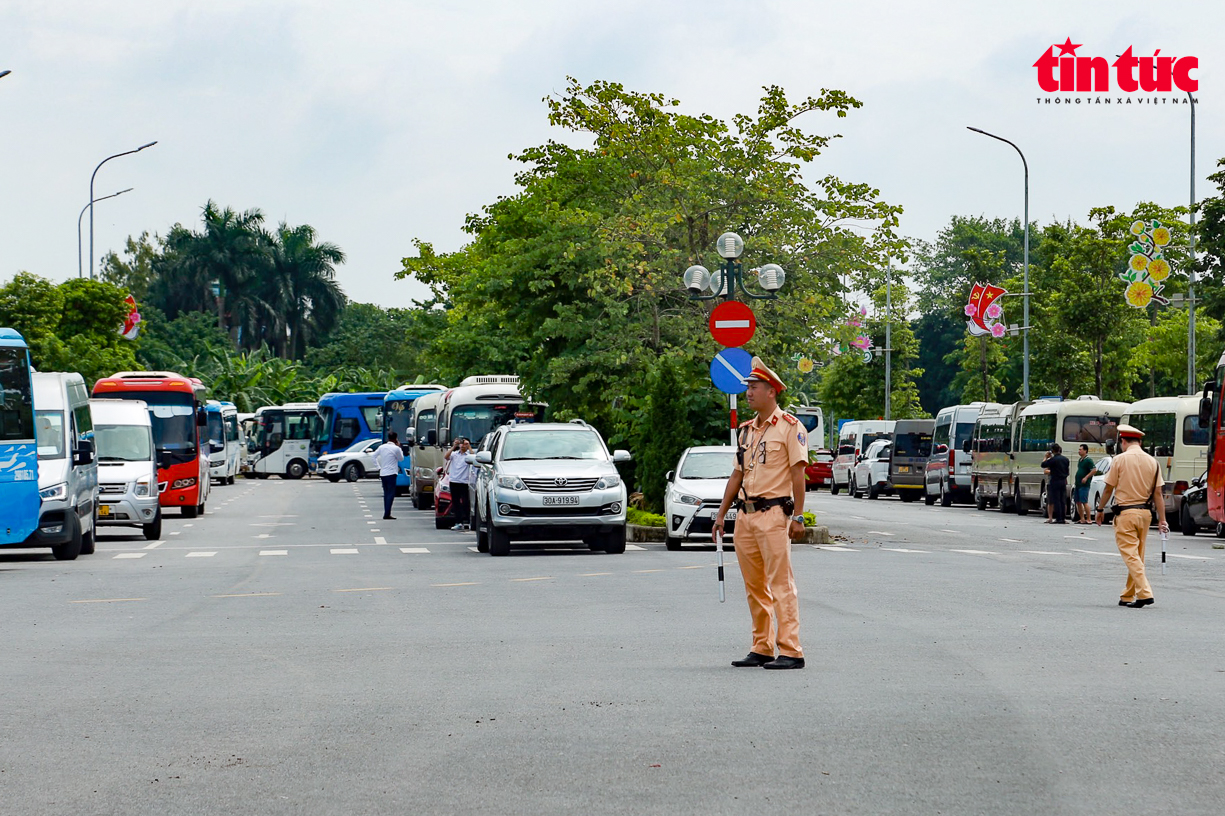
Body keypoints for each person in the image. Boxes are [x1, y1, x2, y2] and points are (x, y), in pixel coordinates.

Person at [713, 356, 808, 670]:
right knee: (754, 586)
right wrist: (721, 514)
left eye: (754, 387)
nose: (748, 393)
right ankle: (762, 646)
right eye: (748, 388)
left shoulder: (791, 428)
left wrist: (798, 516)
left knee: (781, 584)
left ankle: (791, 650)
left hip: (774, 514)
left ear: (772, 391)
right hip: (745, 516)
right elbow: (737, 475)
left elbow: (798, 474)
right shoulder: (745, 432)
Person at [1095, 424, 1168, 608]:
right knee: (1136, 556)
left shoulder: (1119, 460)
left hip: (1126, 513)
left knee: (1130, 555)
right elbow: (1158, 494)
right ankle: (1128, 594)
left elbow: (1108, 487)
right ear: (1140, 442)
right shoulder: (1153, 462)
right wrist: (1162, 520)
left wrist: (1100, 509)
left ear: (1123, 442)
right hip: (1145, 514)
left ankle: (1144, 593)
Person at [373, 432, 405, 520]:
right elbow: (401, 459)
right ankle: (387, 513)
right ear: (396, 439)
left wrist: (378, 467)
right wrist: (399, 447)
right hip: (391, 473)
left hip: (383, 473)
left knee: (386, 493)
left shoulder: (382, 447)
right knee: (391, 494)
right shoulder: (396, 448)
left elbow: (373, 456)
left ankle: (386, 512)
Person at [445, 437, 474, 531]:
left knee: (466, 502)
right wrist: (454, 446)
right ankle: (458, 522)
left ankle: (468, 521)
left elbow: (475, 459)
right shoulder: (454, 454)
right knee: (456, 502)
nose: (463, 445)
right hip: (454, 481)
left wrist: (469, 447)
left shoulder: (469, 455)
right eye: (461, 443)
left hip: (464, 482)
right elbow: (446, 457)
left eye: (465, 444)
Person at [1043, 443, 1070, 524]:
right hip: (1063, 480)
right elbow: (1067, 471)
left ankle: (1058, 518)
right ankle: (1063, 517)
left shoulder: (1053, 460)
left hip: (1055, 481)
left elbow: (1043, 464)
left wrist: (1046, 457)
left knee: (1056, 500)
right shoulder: (1066, 459)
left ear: (1052, 451)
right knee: (1063, 500)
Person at [1074, 444, 1095, 524]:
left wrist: (1086, 477)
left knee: (1084, 501)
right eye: (1079, 449)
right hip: (1078, 484)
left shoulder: (1088, 460)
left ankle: (1089, 518)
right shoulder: (1080, 460)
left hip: (1084, 485)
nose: (1079, 451)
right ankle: (1082, 518)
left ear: (1085, 451)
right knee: (1078, 502)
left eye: (1080, 449)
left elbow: (1094, 470)